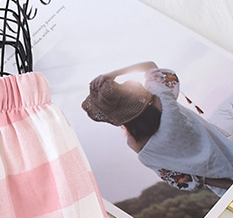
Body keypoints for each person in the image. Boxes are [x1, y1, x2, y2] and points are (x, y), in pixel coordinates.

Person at [81, 61, 233, 196]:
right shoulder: (162, 98)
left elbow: (180, 178)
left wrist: (227, 185)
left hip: (225, 185)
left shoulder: (136, 143)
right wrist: (112, 74)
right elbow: (150, 66)